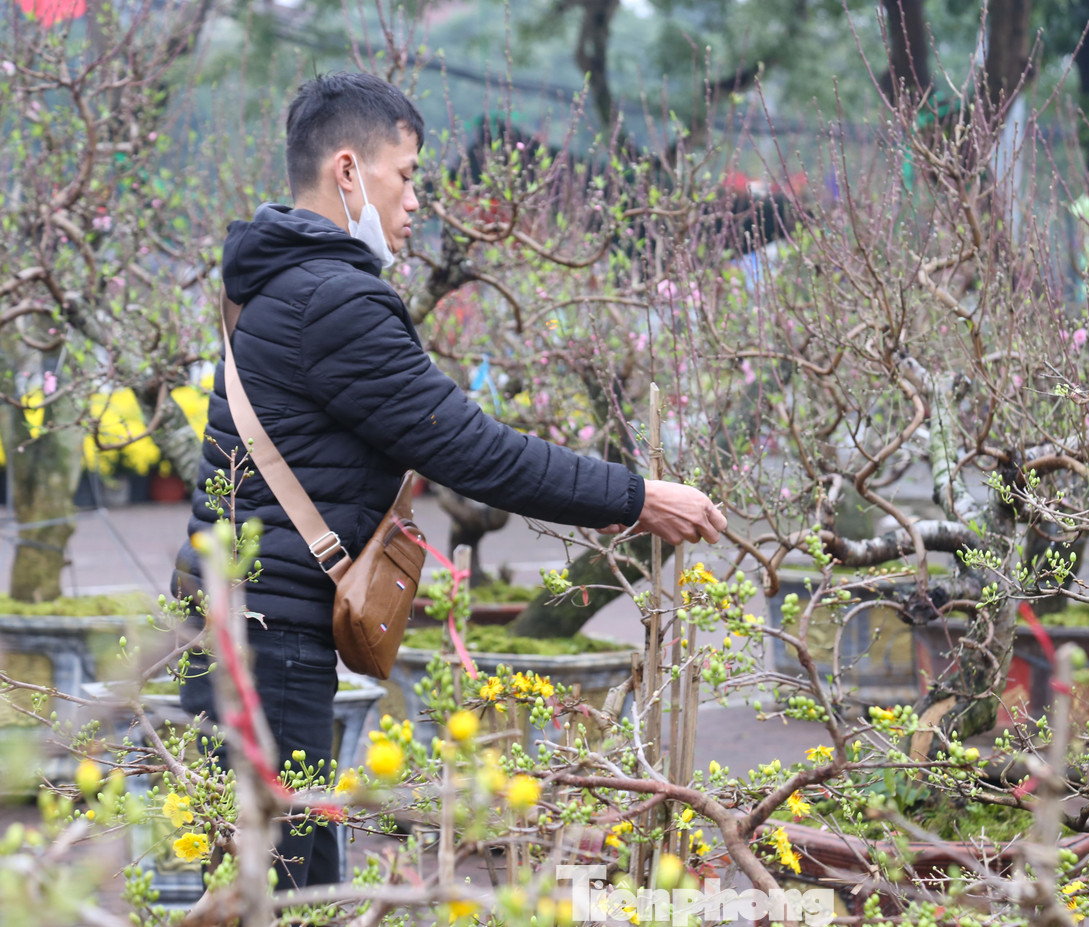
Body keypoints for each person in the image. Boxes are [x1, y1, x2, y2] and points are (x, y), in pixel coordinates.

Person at [171, 71, 725, 889]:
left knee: (282, 881)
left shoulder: (276, 281)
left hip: (245, 631)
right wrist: (637, 497)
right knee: (293, 896)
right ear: (350, 171)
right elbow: (473, 451)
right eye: (410, 173)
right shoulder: (332, 300)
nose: (420, 198)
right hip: (269, 646)